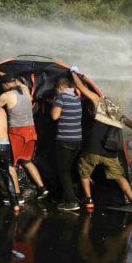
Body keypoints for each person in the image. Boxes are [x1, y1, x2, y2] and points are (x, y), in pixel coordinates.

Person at [70, 68, 132, 213]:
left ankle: (89, 200)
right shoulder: (117, 113)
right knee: (119, 177)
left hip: (93, 149)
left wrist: (73, 73)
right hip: (110, 152)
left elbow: (80, 87)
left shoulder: (99, 102)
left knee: (84, 172)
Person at [0, 70, 51, 200]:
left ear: (6, 85)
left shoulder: (6, 96)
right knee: (27, 161)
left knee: (10, 165)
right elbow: (13, 80)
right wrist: (1, 73)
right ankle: (42, 188)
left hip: (17, 133)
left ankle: (17, 195)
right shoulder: (24, 89)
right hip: (31, 131)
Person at [51, 76, 83, 211]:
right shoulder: (76, 98)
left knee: (63, 171)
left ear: (59, 88)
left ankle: (71, 202)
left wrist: (54, 103)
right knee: (69, 170)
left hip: (65, 140)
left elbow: (54, 116)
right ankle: (70, 196)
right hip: (77, 139)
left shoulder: (61, 97)